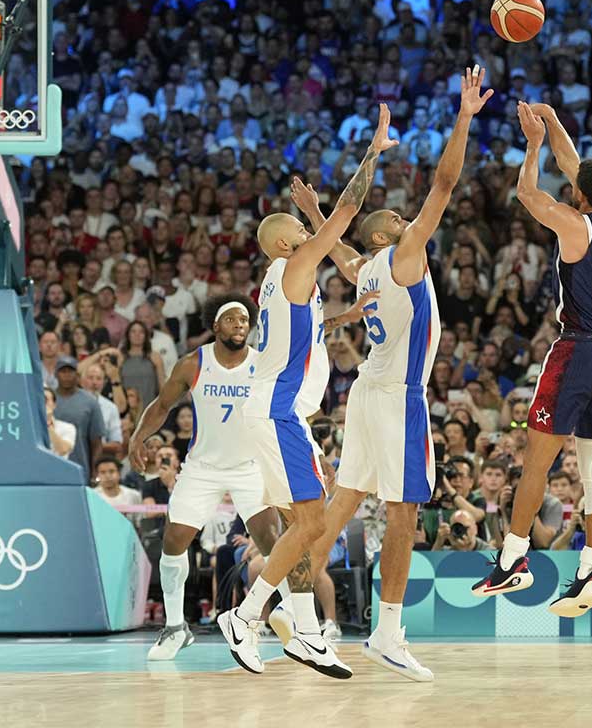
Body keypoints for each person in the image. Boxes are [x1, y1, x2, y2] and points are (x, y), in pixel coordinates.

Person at [295, 65, 491, 683]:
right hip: (398, 395)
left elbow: (335, 243)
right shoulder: (401, 259)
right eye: (402, 221)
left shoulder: (363, 267)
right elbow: (444, 183)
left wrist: (318, 210)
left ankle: (291, 611)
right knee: (405, 510)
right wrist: (463, 117)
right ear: (390, 234)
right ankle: (388, 631)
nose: (414, 223)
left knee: (346, 499)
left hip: (365, 395)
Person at [217, 105, 397, 678]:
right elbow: (345, 213)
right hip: (278, 412)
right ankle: (245, 618)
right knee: (314, 523)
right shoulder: (294, 266)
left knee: (303, 524)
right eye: (299, 231)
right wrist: (372, 151)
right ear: (284, 245)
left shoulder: (286, 284)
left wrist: (348, 316)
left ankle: (306, 634)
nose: (306, 232)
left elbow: (306, 332)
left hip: (271, 410)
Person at [472, 102, 592, 622]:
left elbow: (526, 193)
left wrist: (534, 142)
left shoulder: (573, 223)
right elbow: (576, 164)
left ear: (579, 193)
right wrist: (553, 119)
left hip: (578, 349)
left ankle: (513, 558)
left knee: (536, 462)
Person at [128, 294, 286, 661]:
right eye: (231, 319)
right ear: (215, 326)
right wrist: (139, 436)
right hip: (203, 468)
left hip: (250, 466)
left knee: (272, 540)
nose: (239, 325)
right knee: (174, 540)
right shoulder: (193, 364)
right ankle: (174, 627)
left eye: (244, 320)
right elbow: (162, 406)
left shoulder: (262, 364)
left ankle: (296, 619)